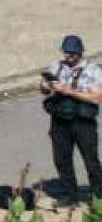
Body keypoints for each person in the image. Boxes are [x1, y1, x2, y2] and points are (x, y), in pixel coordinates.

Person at [42, 34, 102, 204]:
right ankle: (71, 195)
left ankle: (98, 197)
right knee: (61, 159)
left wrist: (70, 91)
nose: (69, 57)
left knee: (91, 161)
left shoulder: (93, 70)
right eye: (66, 53)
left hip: (83, 121)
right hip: (60, 120)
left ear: (80, 52)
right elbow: (44, 90)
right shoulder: (57, 67)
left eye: (72, 53)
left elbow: (97, 97)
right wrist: (45, 86)